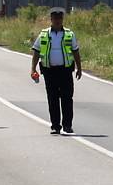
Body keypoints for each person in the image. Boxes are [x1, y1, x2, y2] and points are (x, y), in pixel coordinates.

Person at [30, 7, 82, 135]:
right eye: (55, 19)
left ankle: (67, 126)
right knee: (52, 99)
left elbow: (76, 51)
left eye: (60, 18)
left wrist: (79, 68)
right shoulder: (44, 34)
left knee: (67, 99)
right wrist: (33, 69)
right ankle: (55, 126)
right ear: (51, 20)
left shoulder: (69, 34)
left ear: (62, 19)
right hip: (49, 71)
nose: (57, 21)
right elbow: (36, 52)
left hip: (65, 71)